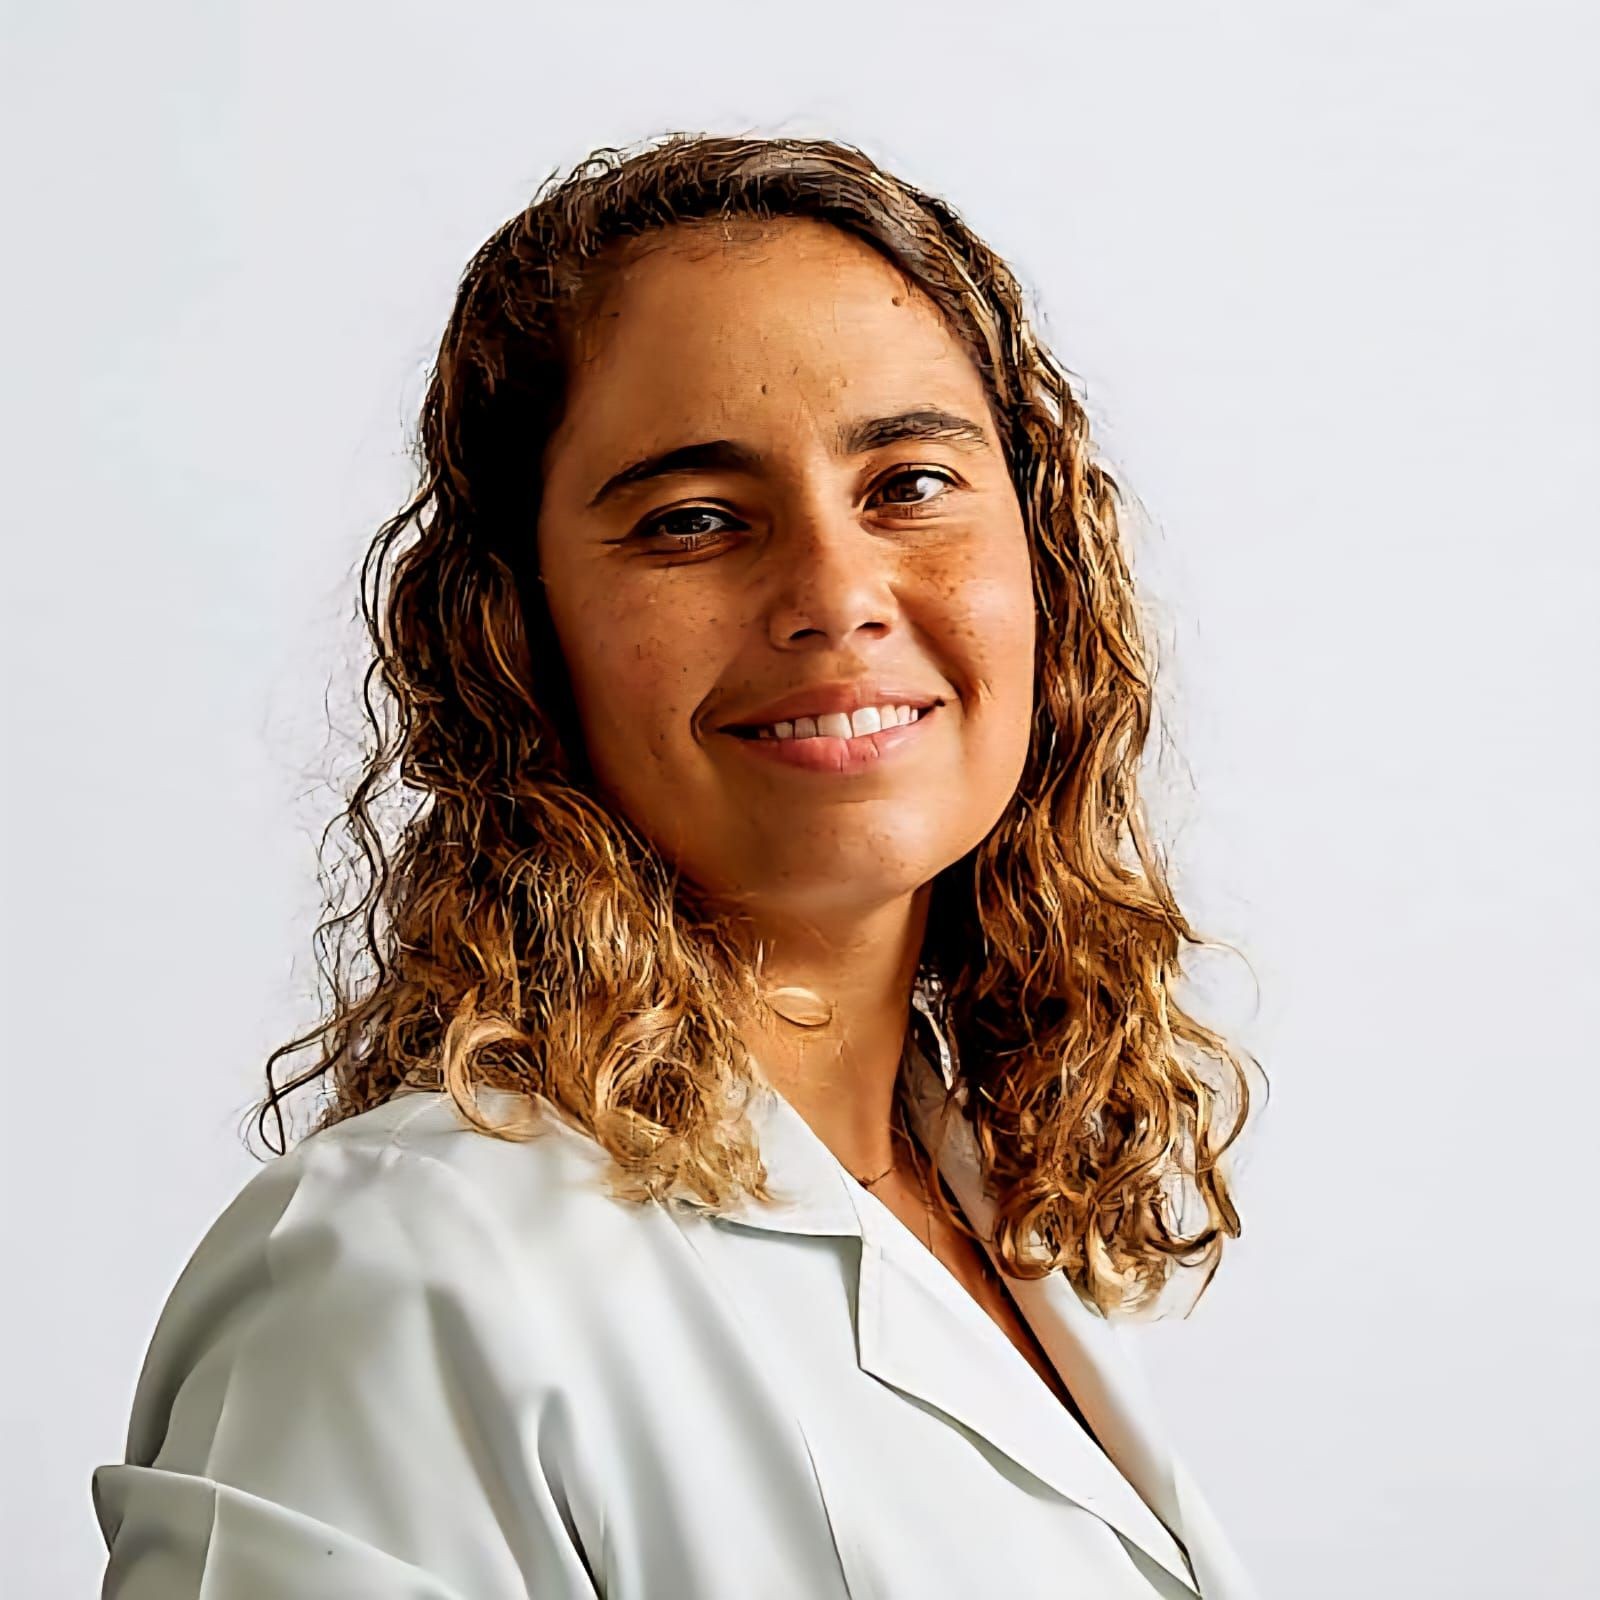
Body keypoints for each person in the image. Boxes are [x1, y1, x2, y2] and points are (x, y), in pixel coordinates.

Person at [92, 132, 1262, 1598]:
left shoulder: (977, 1199)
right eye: (693, 520)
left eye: (908, 483)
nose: (836, 598)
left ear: (1046, 568)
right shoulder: (403, 1275)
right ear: (518, 638)